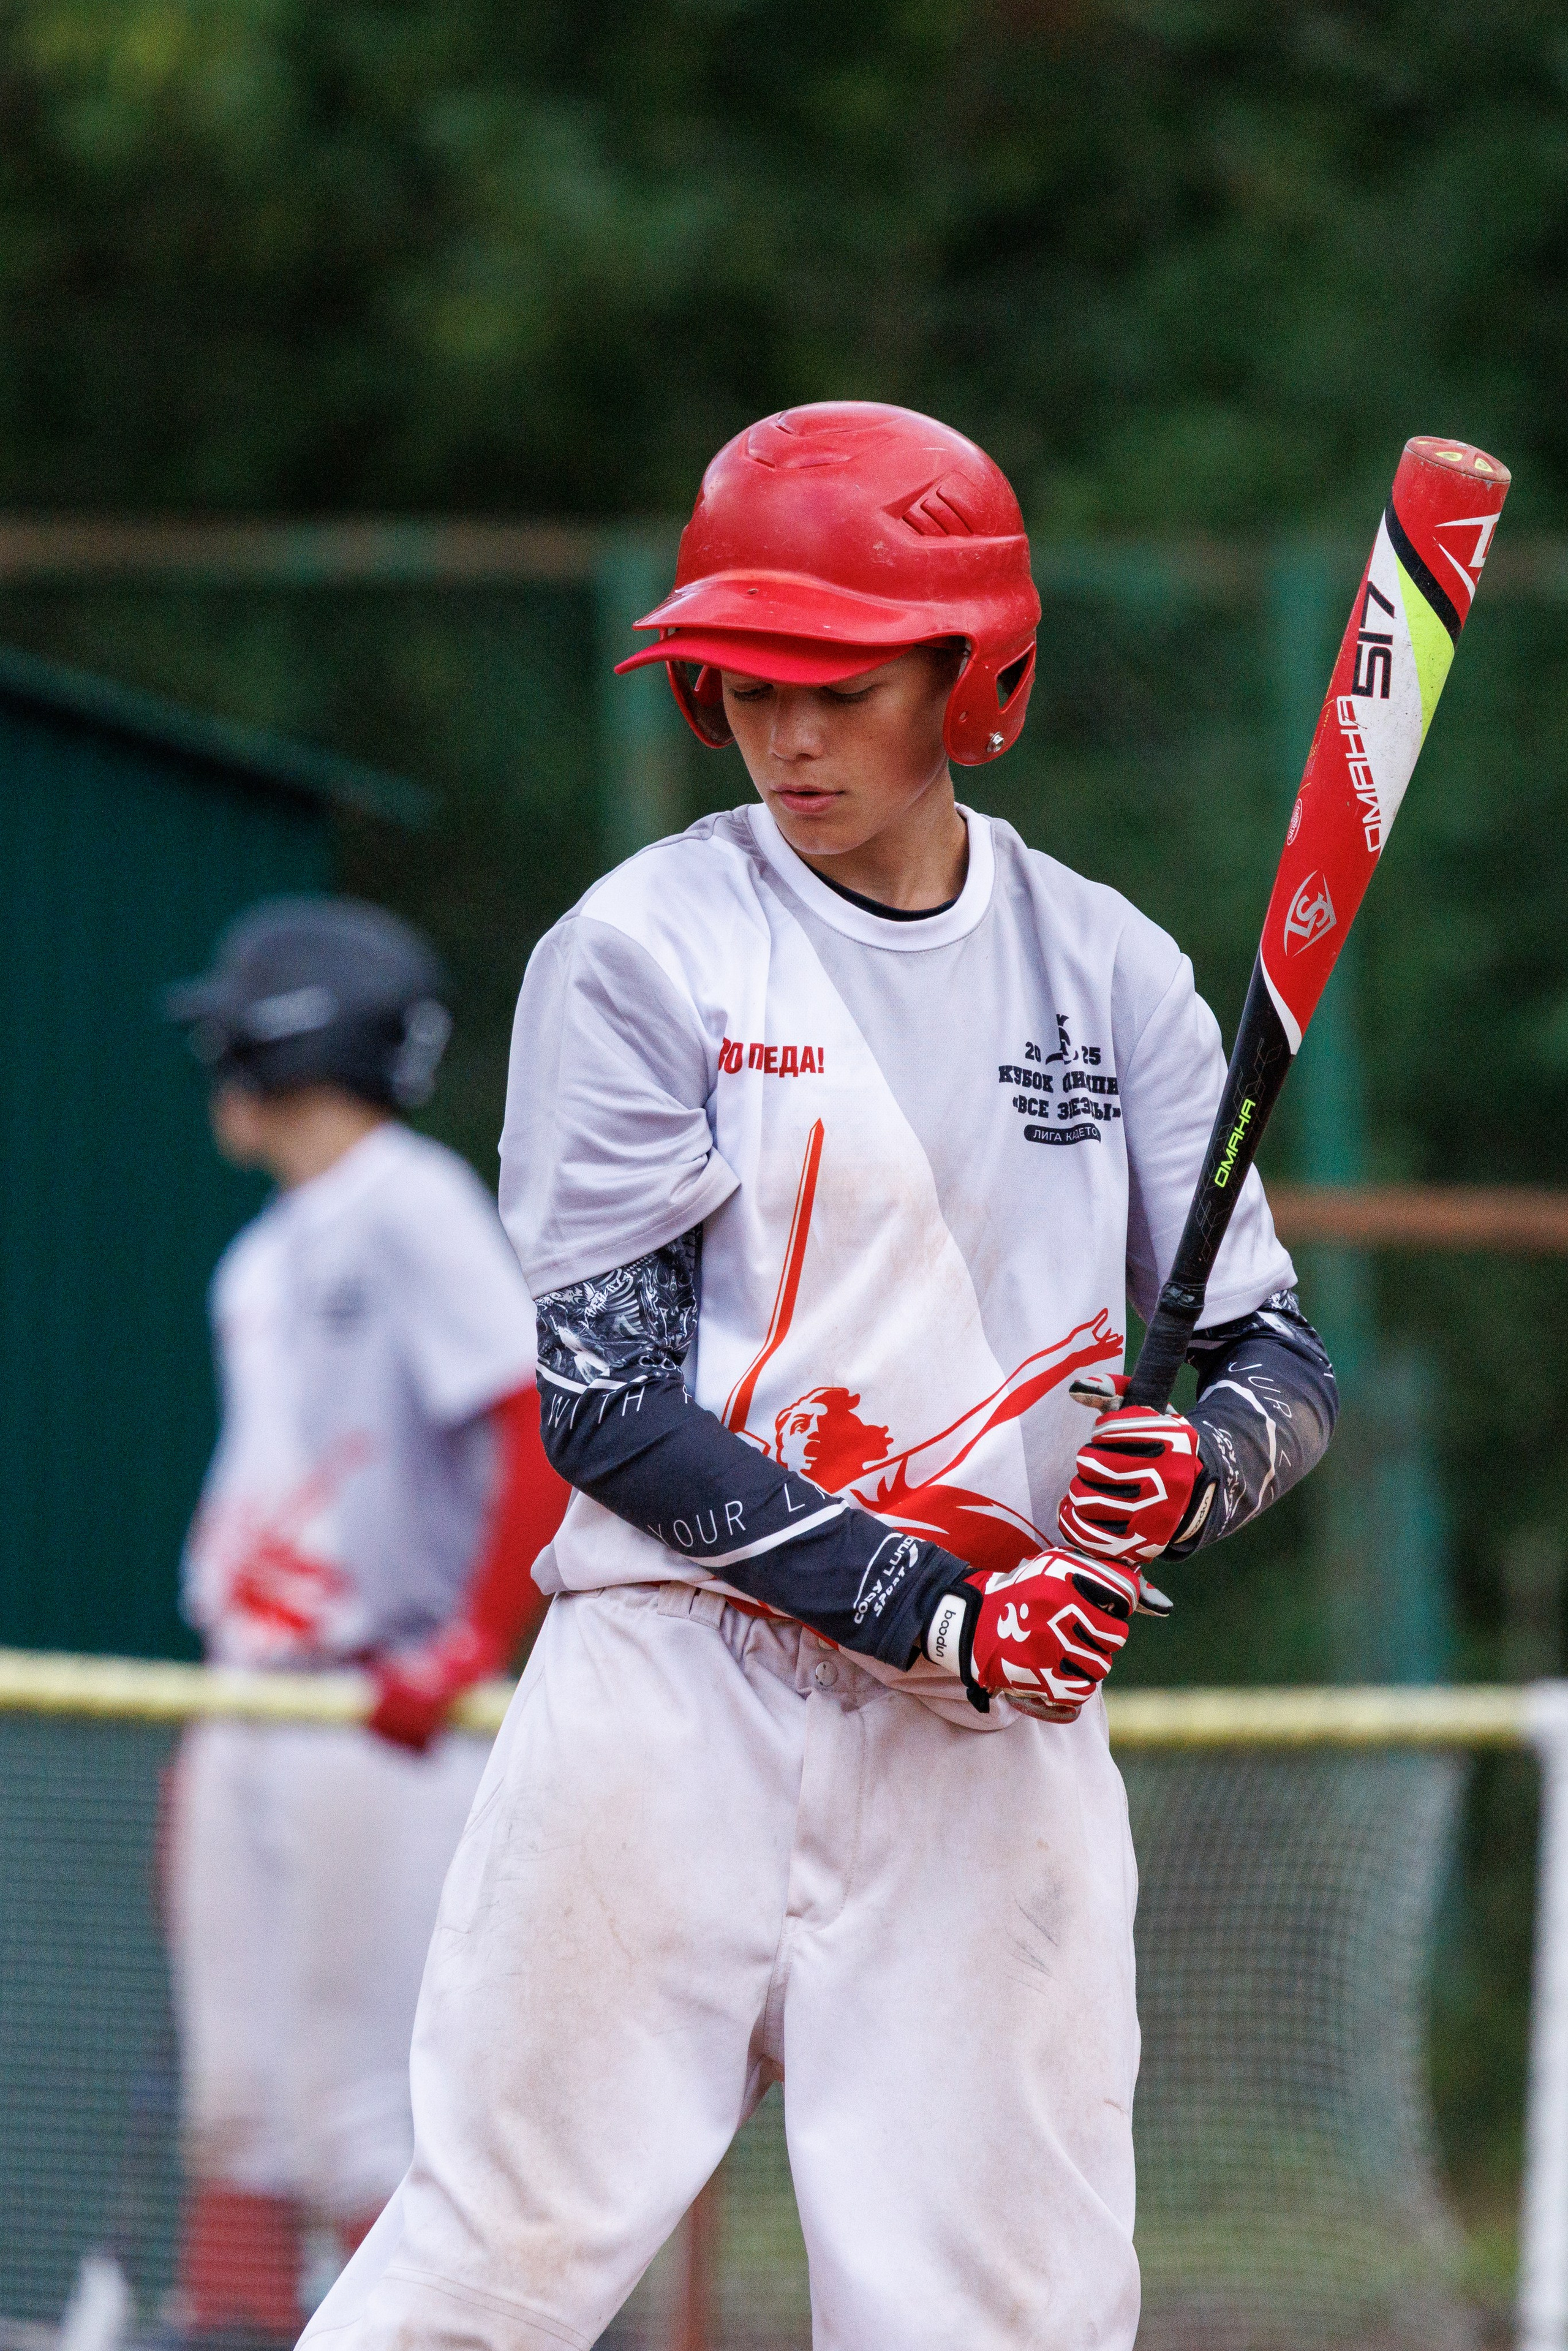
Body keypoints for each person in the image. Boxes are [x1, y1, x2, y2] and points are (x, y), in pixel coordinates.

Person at [300, 402, 1338, 2351]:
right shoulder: (642, 951)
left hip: (986, 1741)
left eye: (838, 687)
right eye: (740, 682)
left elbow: (1272, 1354)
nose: (786, 736)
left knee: (1003, 2311)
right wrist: (942, 1602)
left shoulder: (1108, 970)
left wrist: (1188, 1469)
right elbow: (603, 1403)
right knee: (494, 2259)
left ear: (975, 677)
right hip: (677, 1687)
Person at [162, 898, 568, 2348]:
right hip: (260, 1690)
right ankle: (247, 2328)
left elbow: (524, 1417)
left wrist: (466, 1643)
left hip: (371, 1703)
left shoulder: (407, 1197)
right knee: (243, 2102)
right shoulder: (274, 1244)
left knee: (353, 2104)